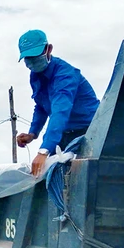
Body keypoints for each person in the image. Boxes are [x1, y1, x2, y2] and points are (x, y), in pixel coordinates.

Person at [16, 30, 101, 176]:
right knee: (51, 176)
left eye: (35, 56)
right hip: (63, 135)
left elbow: (60, 111)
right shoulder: (35, 75)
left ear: (49, 49)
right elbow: (41, 106)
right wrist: (32, 133)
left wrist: (43, 151)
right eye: (28, 59)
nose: (32, 62)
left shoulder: (66, 75)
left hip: (89, 133)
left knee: (81, 176)